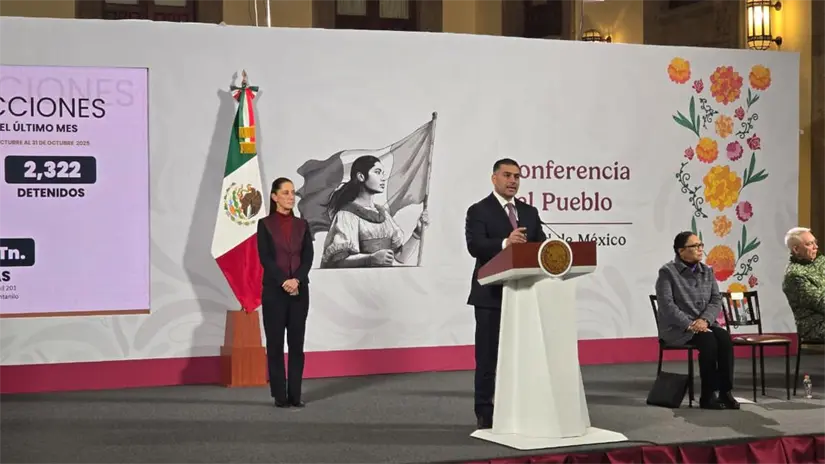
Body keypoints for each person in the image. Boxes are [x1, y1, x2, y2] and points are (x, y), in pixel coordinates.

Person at [464, 158, 546, 429]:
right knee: (487, 357)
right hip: (490, 297)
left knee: (522, 355)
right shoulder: (479, 210)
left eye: (518, 176)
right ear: (494, 178)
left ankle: (521, 408)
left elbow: (541, 246)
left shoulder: (530, 212)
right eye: (508, 175)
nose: (513, 181)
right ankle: (485, 413)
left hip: (523, 294)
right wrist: (504, 243)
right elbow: (475, 246)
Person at [655, 231, 739, 410]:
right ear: (681, 251)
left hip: (704, 324)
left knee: (724, 338)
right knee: (708, 342)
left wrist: (705, 321)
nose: (700, 249)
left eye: (701, 245)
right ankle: (707, 396)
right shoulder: (667, 272)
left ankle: (725, 392)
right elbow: (667, 305)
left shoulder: (707, 271)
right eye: (695, 246)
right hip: (679, 328)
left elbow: (716, 299)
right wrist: (690, 324)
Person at [257, 177, 314, 408]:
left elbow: (308, 257)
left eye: (293, 193)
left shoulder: (303, 225)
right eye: (286, 192)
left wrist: (297, 279)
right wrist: (284, 281)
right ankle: (280, 395)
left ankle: (295, 394)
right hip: (274, 292)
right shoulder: (265, 224)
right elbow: (266, 258)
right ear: (274, 196)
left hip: (300, 292)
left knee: (297, 345)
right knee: (275, 344)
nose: (291, 197)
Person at [320, 155, 429, 268]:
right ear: (361, 177)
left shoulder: (383, 215)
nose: (383, 178)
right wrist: (370, 259)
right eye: (377, 172)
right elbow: (338, 262)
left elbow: (400, 257)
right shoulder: (346, 215)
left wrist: (417, 233)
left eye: (383, 173)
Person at [781, 227, 824, 341]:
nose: (816, 247)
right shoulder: (794, 275)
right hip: (814, 325)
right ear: (796, 249)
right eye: (810, 244)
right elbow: (821, 302)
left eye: (815, 242)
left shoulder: (820, 261)